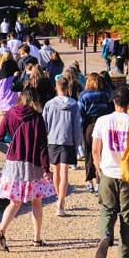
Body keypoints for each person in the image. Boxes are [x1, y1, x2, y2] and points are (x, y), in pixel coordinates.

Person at [92, 86, 129, 258]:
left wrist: (98, 167)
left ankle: (106, 234)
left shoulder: (102, 121)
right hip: (128, 175)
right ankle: (125, 256)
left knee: (107, 208)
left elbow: (95, 149)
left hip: (108, 172)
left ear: (114, 102)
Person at [0, 88, 56, 252]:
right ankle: (37, 239)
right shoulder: (37, 118)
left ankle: (1, 231)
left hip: (14, 163)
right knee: (37, 200)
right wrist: (46, 168)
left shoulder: (9, 114)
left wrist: (13, 142)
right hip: (33, 164)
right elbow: (43, 146)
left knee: (14, 202)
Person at [42, 78, 83, 216]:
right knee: (64, 172)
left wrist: (45, 140)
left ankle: (59, 198)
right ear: (68, 88)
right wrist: (77, 143)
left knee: (56, 170)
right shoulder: (74, 105)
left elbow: (45, 124)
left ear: (56, 88)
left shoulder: (49, 104)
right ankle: (61, 201)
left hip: (52, 140)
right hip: (67, 140)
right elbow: (77, 126)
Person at [78, 73, 114, 193]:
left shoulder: (83, 96)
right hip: (103, 125)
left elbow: (80, 113)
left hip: (89, 124)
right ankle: (99, 181)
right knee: (102, 154)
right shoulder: (105, 95)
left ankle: (89, 181)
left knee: (89, 152)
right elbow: (111, 110)